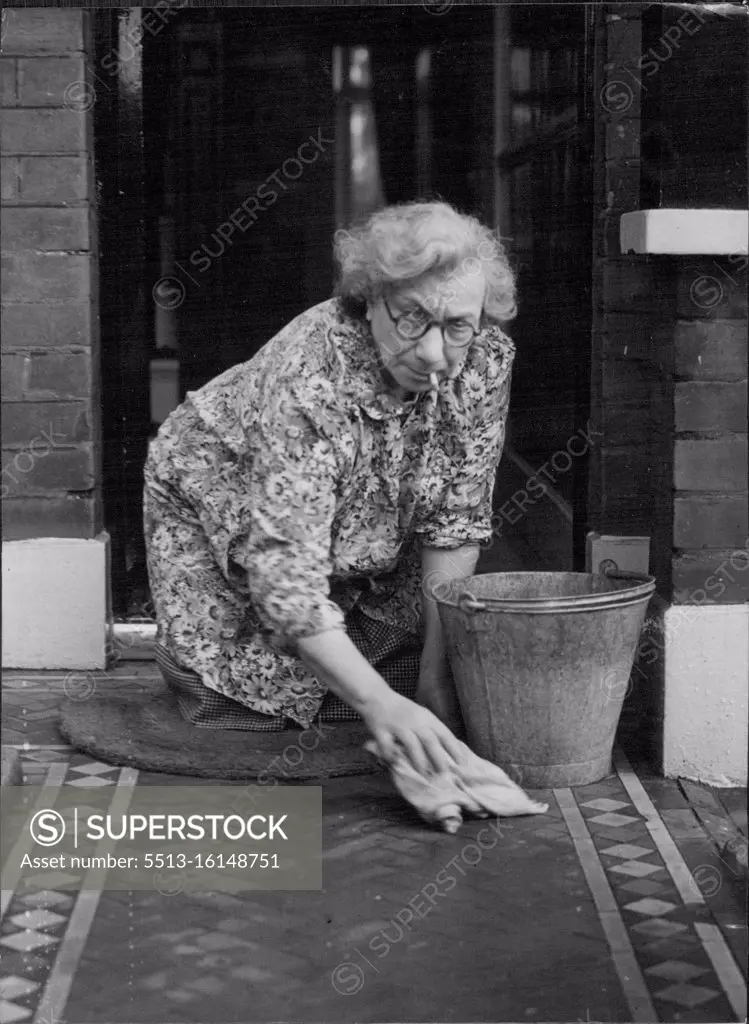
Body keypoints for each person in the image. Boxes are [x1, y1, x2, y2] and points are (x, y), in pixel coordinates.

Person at [143, 199, 516, 777]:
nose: (434, 352)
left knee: (406, 683)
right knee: (241, 706)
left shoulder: (485, 359)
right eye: (411, 316)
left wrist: (435, 682)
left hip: (362, 522)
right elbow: (287, 586)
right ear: (369, 300)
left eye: (457, 326)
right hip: (224, 497)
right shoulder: (308, 375)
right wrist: (383, 707)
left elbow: (456, 517)